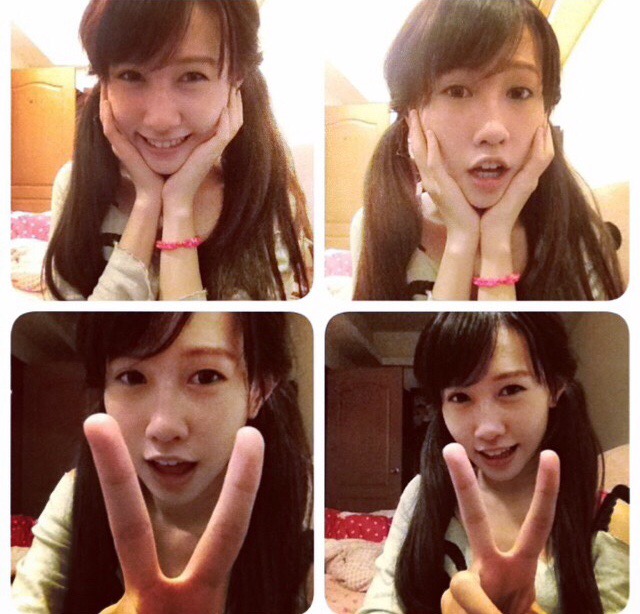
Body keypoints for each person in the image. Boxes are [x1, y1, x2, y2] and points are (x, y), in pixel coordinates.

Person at [12, 312, 313, 613]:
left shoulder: (301, 512)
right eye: (132, 377)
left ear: (257, 391)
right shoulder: (75, 496)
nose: (164, 428)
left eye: (206, 376)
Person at [351, 0, 623, 300]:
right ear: (409, 114)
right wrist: (461, 238)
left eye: (519, 92)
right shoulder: (376, 227)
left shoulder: (579, 233)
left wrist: (496, 240)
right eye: (457, 91)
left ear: (546, 111)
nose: (494, 131)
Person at [43, 0, 312, 301]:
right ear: (104, 82)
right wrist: (147, 203)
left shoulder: (262, 197)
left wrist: (178, 205)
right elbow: (79, 329)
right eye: (131, 75)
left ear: (236, 79)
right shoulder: (75, 185)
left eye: (192, 76)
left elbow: (234, 333)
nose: (160, 120)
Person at [360, 313, 628, 613]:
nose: (488, 429)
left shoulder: (612, 519)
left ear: (554, 388)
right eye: (460, 397)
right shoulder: (420, 496)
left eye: (510, 390)